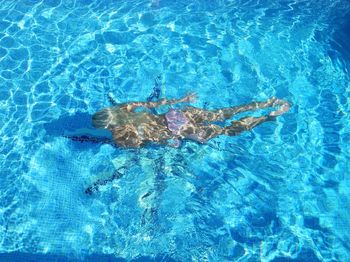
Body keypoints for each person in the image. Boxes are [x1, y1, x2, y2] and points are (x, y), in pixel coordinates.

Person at [91, 93, 290, 148]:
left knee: (225, 131)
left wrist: (170, 143)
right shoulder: (125, 107)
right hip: (180, 114)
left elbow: (143, 143)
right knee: (221, 114)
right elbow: (157, 103)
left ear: (108, 124)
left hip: (179, 131)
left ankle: (267, 117)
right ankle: (269, 102)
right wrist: (182, 100)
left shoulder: (120, 136)